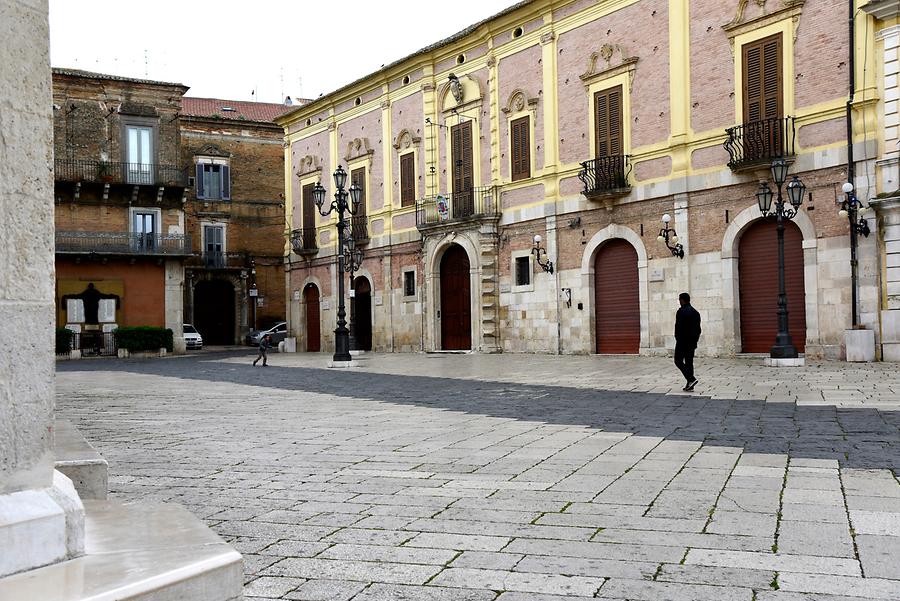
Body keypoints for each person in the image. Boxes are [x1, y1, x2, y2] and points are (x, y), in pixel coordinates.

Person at [674, 292, 701, 391]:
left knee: (678, 361)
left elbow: (678, 327)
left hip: (682, 342)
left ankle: (691, 379)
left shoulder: (681, 312)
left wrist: (678, 339)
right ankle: (690, 384)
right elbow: (698, 329)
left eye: (679, 299)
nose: (679, 301)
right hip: (692, 342)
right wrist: (695, 341)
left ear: (682, 300)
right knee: (689, 362)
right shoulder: (696, 312)